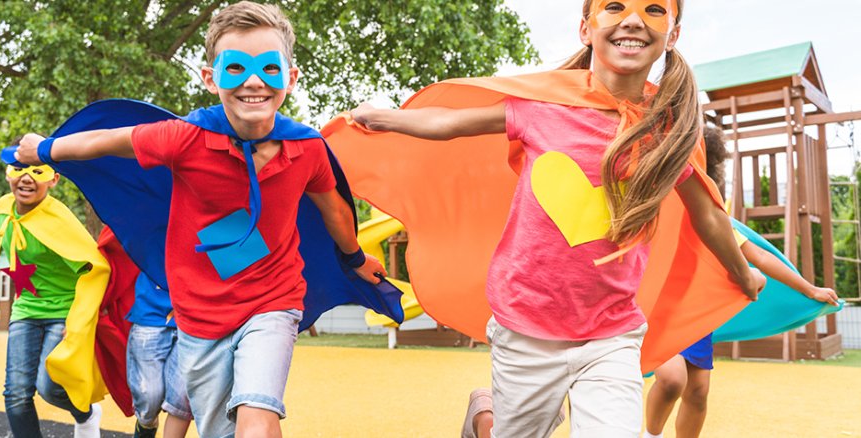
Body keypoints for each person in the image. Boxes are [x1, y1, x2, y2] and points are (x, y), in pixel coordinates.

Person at [350, 0, 765, 436]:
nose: (632, 20)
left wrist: (743, 273)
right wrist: (384, 117)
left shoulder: (668, 132)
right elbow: (452, 124)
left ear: (672, 35)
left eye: (654, 9)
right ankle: (485, 416)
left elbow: (710, 217)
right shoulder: (542, 107)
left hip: (612, 332)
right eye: (615, 6)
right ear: (586, 29)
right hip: (526, 325)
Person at [13, 2, 386, 436]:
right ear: (211, 78)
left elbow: (336, 210)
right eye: (235, 69)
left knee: (258, 413)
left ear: (290, 76)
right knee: (215, 428)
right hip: (200, 315)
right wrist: (43, 149)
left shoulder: (307, 147)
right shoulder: (186, 138)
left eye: (269, 68)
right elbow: (108, 141)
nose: (253, 82)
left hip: (274, 301)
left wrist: (355, 258)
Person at [642, 126, 840, 438]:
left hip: (694, 314)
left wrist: (808, 288)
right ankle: (650, 434)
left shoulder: (710, 219)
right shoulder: (657, 207)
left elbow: (759, 258)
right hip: (657, 311)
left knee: (698, 392)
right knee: (671, 379)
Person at [0, 163, 104, 438]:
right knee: (16, 395)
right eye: (19, 169)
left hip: (64, 310)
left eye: (37, 171)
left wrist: (79, 318)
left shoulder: (59, 220)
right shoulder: (2, 210)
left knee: (49, 387)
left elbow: (95, 267)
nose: (27, 178)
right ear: (8, 173)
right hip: (26, 309)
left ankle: (86, 413)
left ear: (54, 179)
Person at [126, 273, 192, 438]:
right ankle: (146, 425)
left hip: (195, 314)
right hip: (151, 310)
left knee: (181, 399)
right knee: (149, 396)